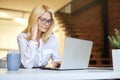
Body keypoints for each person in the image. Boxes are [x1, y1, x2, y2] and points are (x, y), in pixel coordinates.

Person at [17, 5, 61, 69]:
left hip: (42, 75)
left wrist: (59, 64)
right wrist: (33, 39)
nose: (46, 24)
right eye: (43, 20)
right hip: (26, 75)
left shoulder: (52, 38)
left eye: (49, 21)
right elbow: (27, 65)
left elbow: (57, 60)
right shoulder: (22, 38)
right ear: (34, 19)